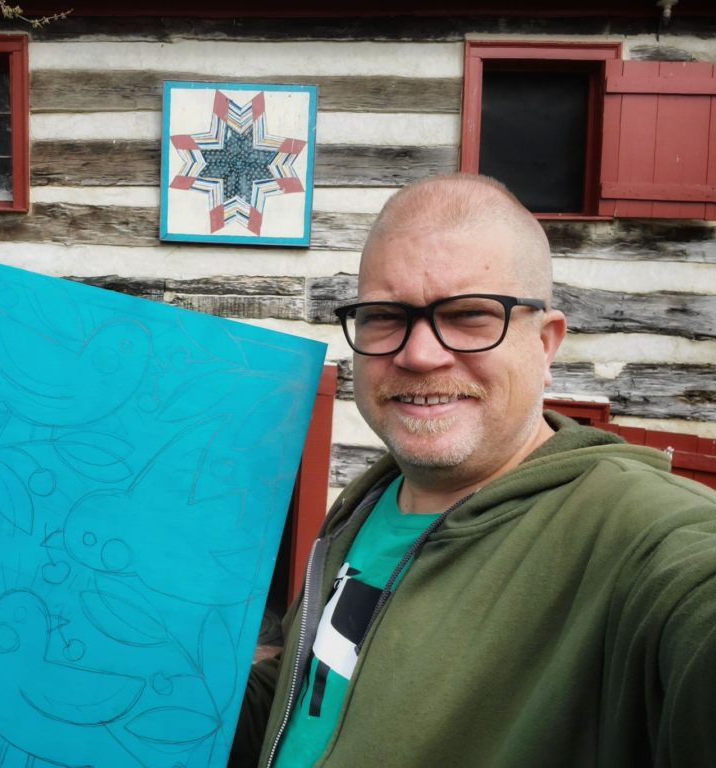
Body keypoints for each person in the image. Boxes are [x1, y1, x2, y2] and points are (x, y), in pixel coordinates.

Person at [231, 173, 716, 767]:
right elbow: (318, 686)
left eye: (468, 315)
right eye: (385, 315)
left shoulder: (639, 537)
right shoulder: (370, 504)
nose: (418, 353)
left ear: (546, 345)